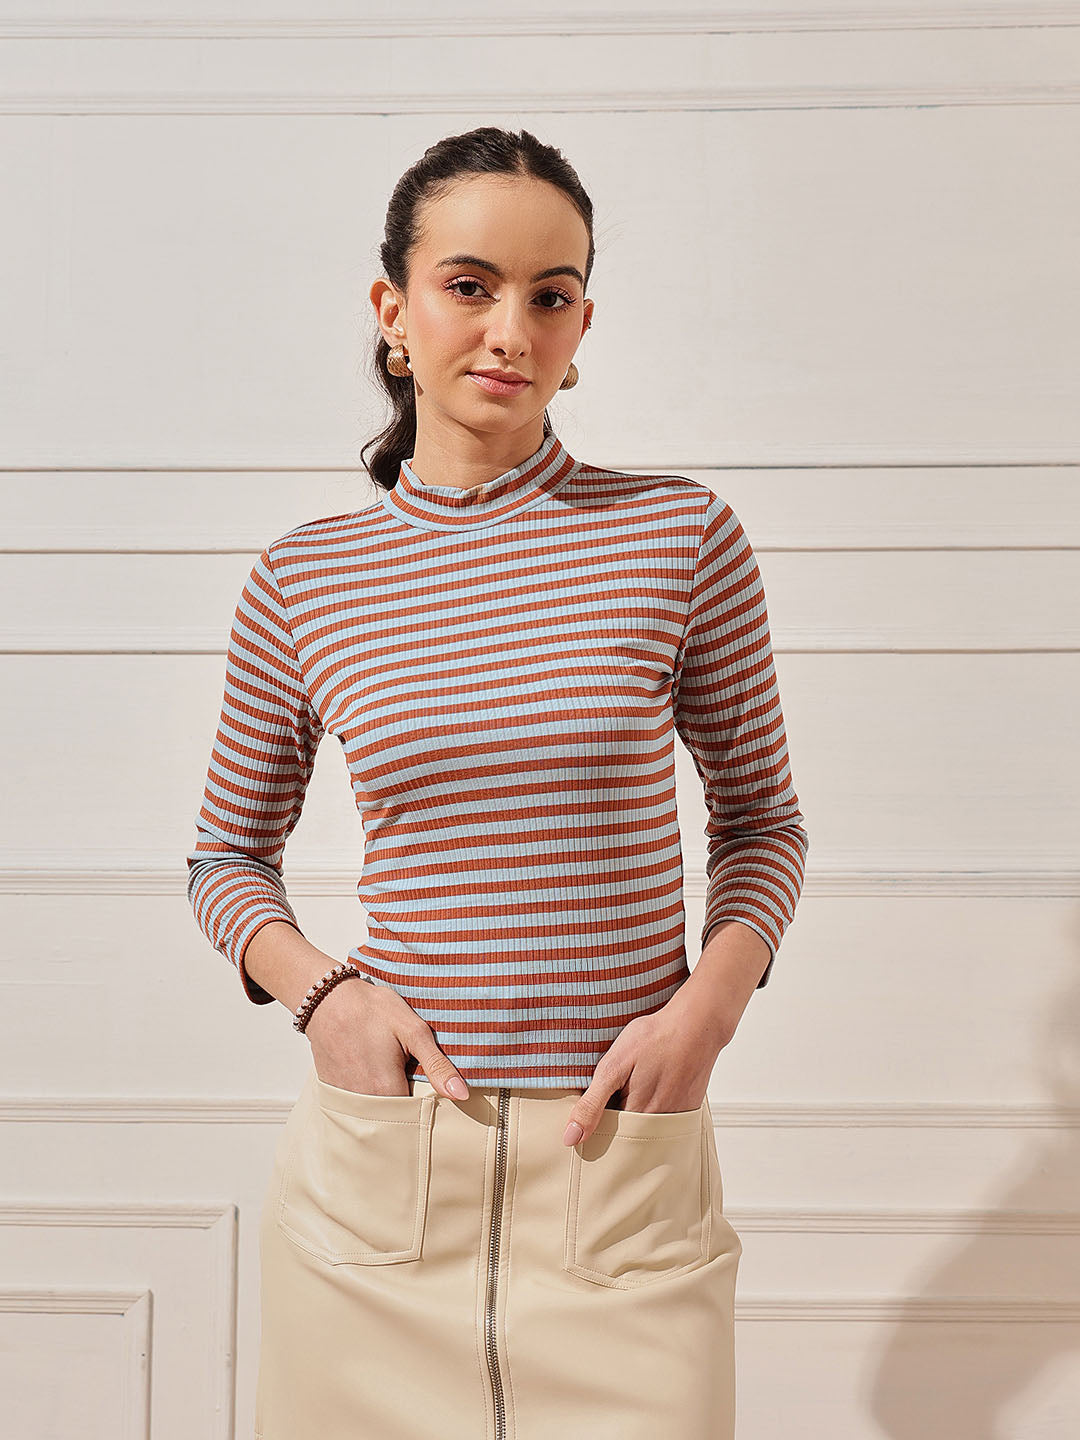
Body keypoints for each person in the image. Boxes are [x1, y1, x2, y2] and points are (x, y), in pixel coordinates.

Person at [185, 125, 809, 1440]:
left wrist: (704, 1016)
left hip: (618, 1163)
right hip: (383, 1174)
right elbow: (224, 859)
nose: (511, 330)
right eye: (469, 286)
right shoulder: (304, 579)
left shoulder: (680, 537)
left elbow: (761, 824)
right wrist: (327, 999)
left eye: (551, 294)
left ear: (582, 328)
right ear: (393, 311)